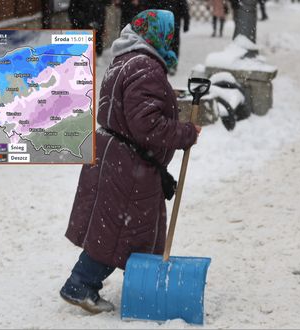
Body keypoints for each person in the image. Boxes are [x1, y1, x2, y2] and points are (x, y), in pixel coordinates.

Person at [60, 9, 201, 314]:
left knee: (114, 226)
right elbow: (146, 125)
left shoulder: (127, 61)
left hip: (116, 158)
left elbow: (131, 108)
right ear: (157, 35)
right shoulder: (145, 68)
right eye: (168, 33)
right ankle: (81, 283)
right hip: (127, 165)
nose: (170, 38)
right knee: (119, 230)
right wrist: (185, 132)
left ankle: (131, 280)